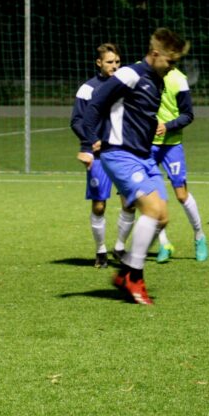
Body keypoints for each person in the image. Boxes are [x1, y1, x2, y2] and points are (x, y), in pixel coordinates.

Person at [82, 28, 190, 305]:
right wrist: (88, 143)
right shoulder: (130, 74)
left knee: (162, 217)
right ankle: (134, 276)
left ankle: (125, 273)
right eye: (170, 61)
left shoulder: (158, 80)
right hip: (119, 154)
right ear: (155, 54)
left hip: (143, 156)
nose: (172, 67)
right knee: (152, 210)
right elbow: (95, 104)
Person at [69, 43, 136, 268]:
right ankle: (100, 251)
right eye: (109, 62)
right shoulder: (88, 89)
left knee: (130, 203)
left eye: (117, 62)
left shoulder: (126, 87)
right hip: (98, 155)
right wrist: (90, 142)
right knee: (99, 206)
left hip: (124, 153)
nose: (114, 66)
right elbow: (76, 121)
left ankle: (119, 248)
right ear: (99, 63)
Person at [151, 66, 209, 263]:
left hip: (172, 144)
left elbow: (188, 115)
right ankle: (163, 243)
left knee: (181, 195)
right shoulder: (142, 72)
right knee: (151, 197)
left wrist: (167, 126)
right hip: (146, 145)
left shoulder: (178, 79)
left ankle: (199, 236)